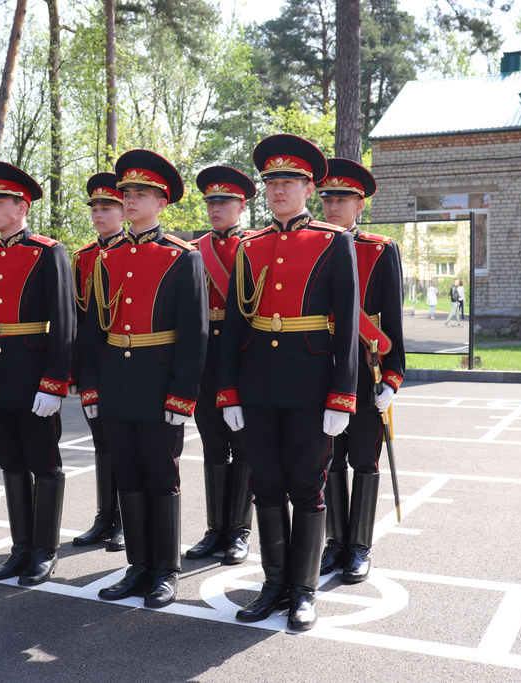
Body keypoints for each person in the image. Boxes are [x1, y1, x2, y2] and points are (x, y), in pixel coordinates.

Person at [218, 134, 358, 631]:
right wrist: (228, 391)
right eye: (272, 182)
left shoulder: (333, 241)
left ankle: (303, 591)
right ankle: (274, 584)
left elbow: (347, 323)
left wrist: (342, 395)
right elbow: (235, 322)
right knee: (266, 485)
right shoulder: (249, 246)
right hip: (258, 383)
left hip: (310, 383)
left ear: (308, 188)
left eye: (289, 182)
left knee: (307, 488)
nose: (278, 190)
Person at [80, 149, 208, 609]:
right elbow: (94, 331)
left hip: (158, 382)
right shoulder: (106, 258)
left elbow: (194, 335)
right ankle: (138, 566)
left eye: (141, 193)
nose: (130, 200)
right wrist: (91, 385)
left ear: (161, 202)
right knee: (127, 476)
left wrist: (182, 395)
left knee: (160, 476)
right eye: (127, 193)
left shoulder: (181, 257)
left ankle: (165, 570)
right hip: (117, 379)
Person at [0, 162, 75, 586]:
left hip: (33, 377)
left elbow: (64, 322)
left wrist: (53, 383)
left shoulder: (48, 252)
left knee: (43, 465)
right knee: (11, 464)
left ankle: (44, 551)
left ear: (22, 206)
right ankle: (21, 549)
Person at [318, 158, 406, 584]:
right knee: (329, 458)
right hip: (320, 365)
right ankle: (335, 542)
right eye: (328, 199)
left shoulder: (379, 249)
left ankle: (359, 547)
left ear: (359, 205)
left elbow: (393, 320)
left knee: (364, 459)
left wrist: (392, 377)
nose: (333, 207)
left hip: (365, 367)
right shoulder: (312, 244)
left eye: (343, 200)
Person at [185, 165, 257, 566]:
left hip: (244, 355)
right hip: (205, 356)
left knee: (243, 446)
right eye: (211, 202)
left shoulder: (255, 246)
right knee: (213, 444)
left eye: (224, 202)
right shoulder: (193, 250)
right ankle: (215, 529)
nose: (215, 209)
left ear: (241, 206)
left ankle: (239, 531)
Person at [70, 172, 127, 552]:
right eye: (95, 208)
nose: (99, 215)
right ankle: (104, 516)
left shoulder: (133, 252)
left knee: (125, 444)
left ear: (124, 212)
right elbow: (78, 320)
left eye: (107, 208)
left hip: (128, 359)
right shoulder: (84, 257)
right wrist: (76, 372)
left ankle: (124, 518)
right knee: (102, 443)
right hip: (95, 364)